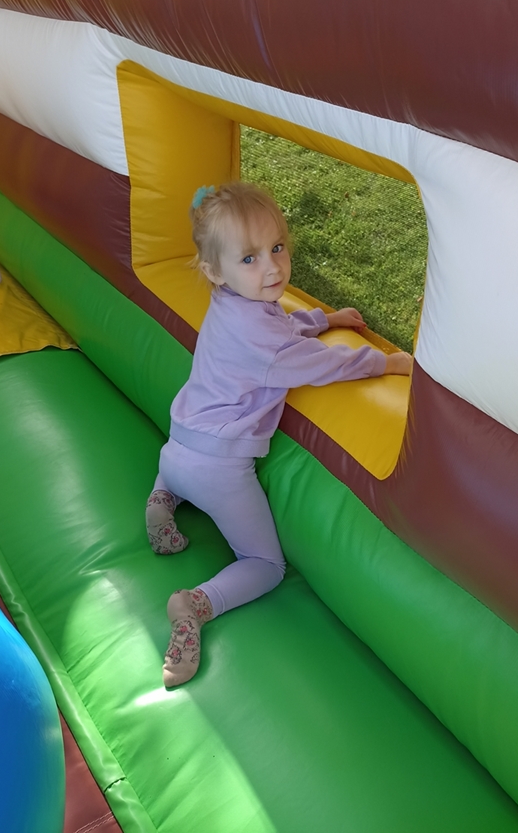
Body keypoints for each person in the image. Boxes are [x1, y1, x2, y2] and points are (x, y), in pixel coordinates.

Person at [146, 181, 413, 687]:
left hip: (176, 446)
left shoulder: (229, 301)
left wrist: (323, 318)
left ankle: (162, 498)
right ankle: (196, 604)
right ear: (214, 270)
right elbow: (319, 364)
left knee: (179, 474)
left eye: (277, 247)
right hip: (217, 469)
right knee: (266, 565)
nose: (272, 267)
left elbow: (279, 327)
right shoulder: (262, 335)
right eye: (250, 258)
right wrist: (386, 363)